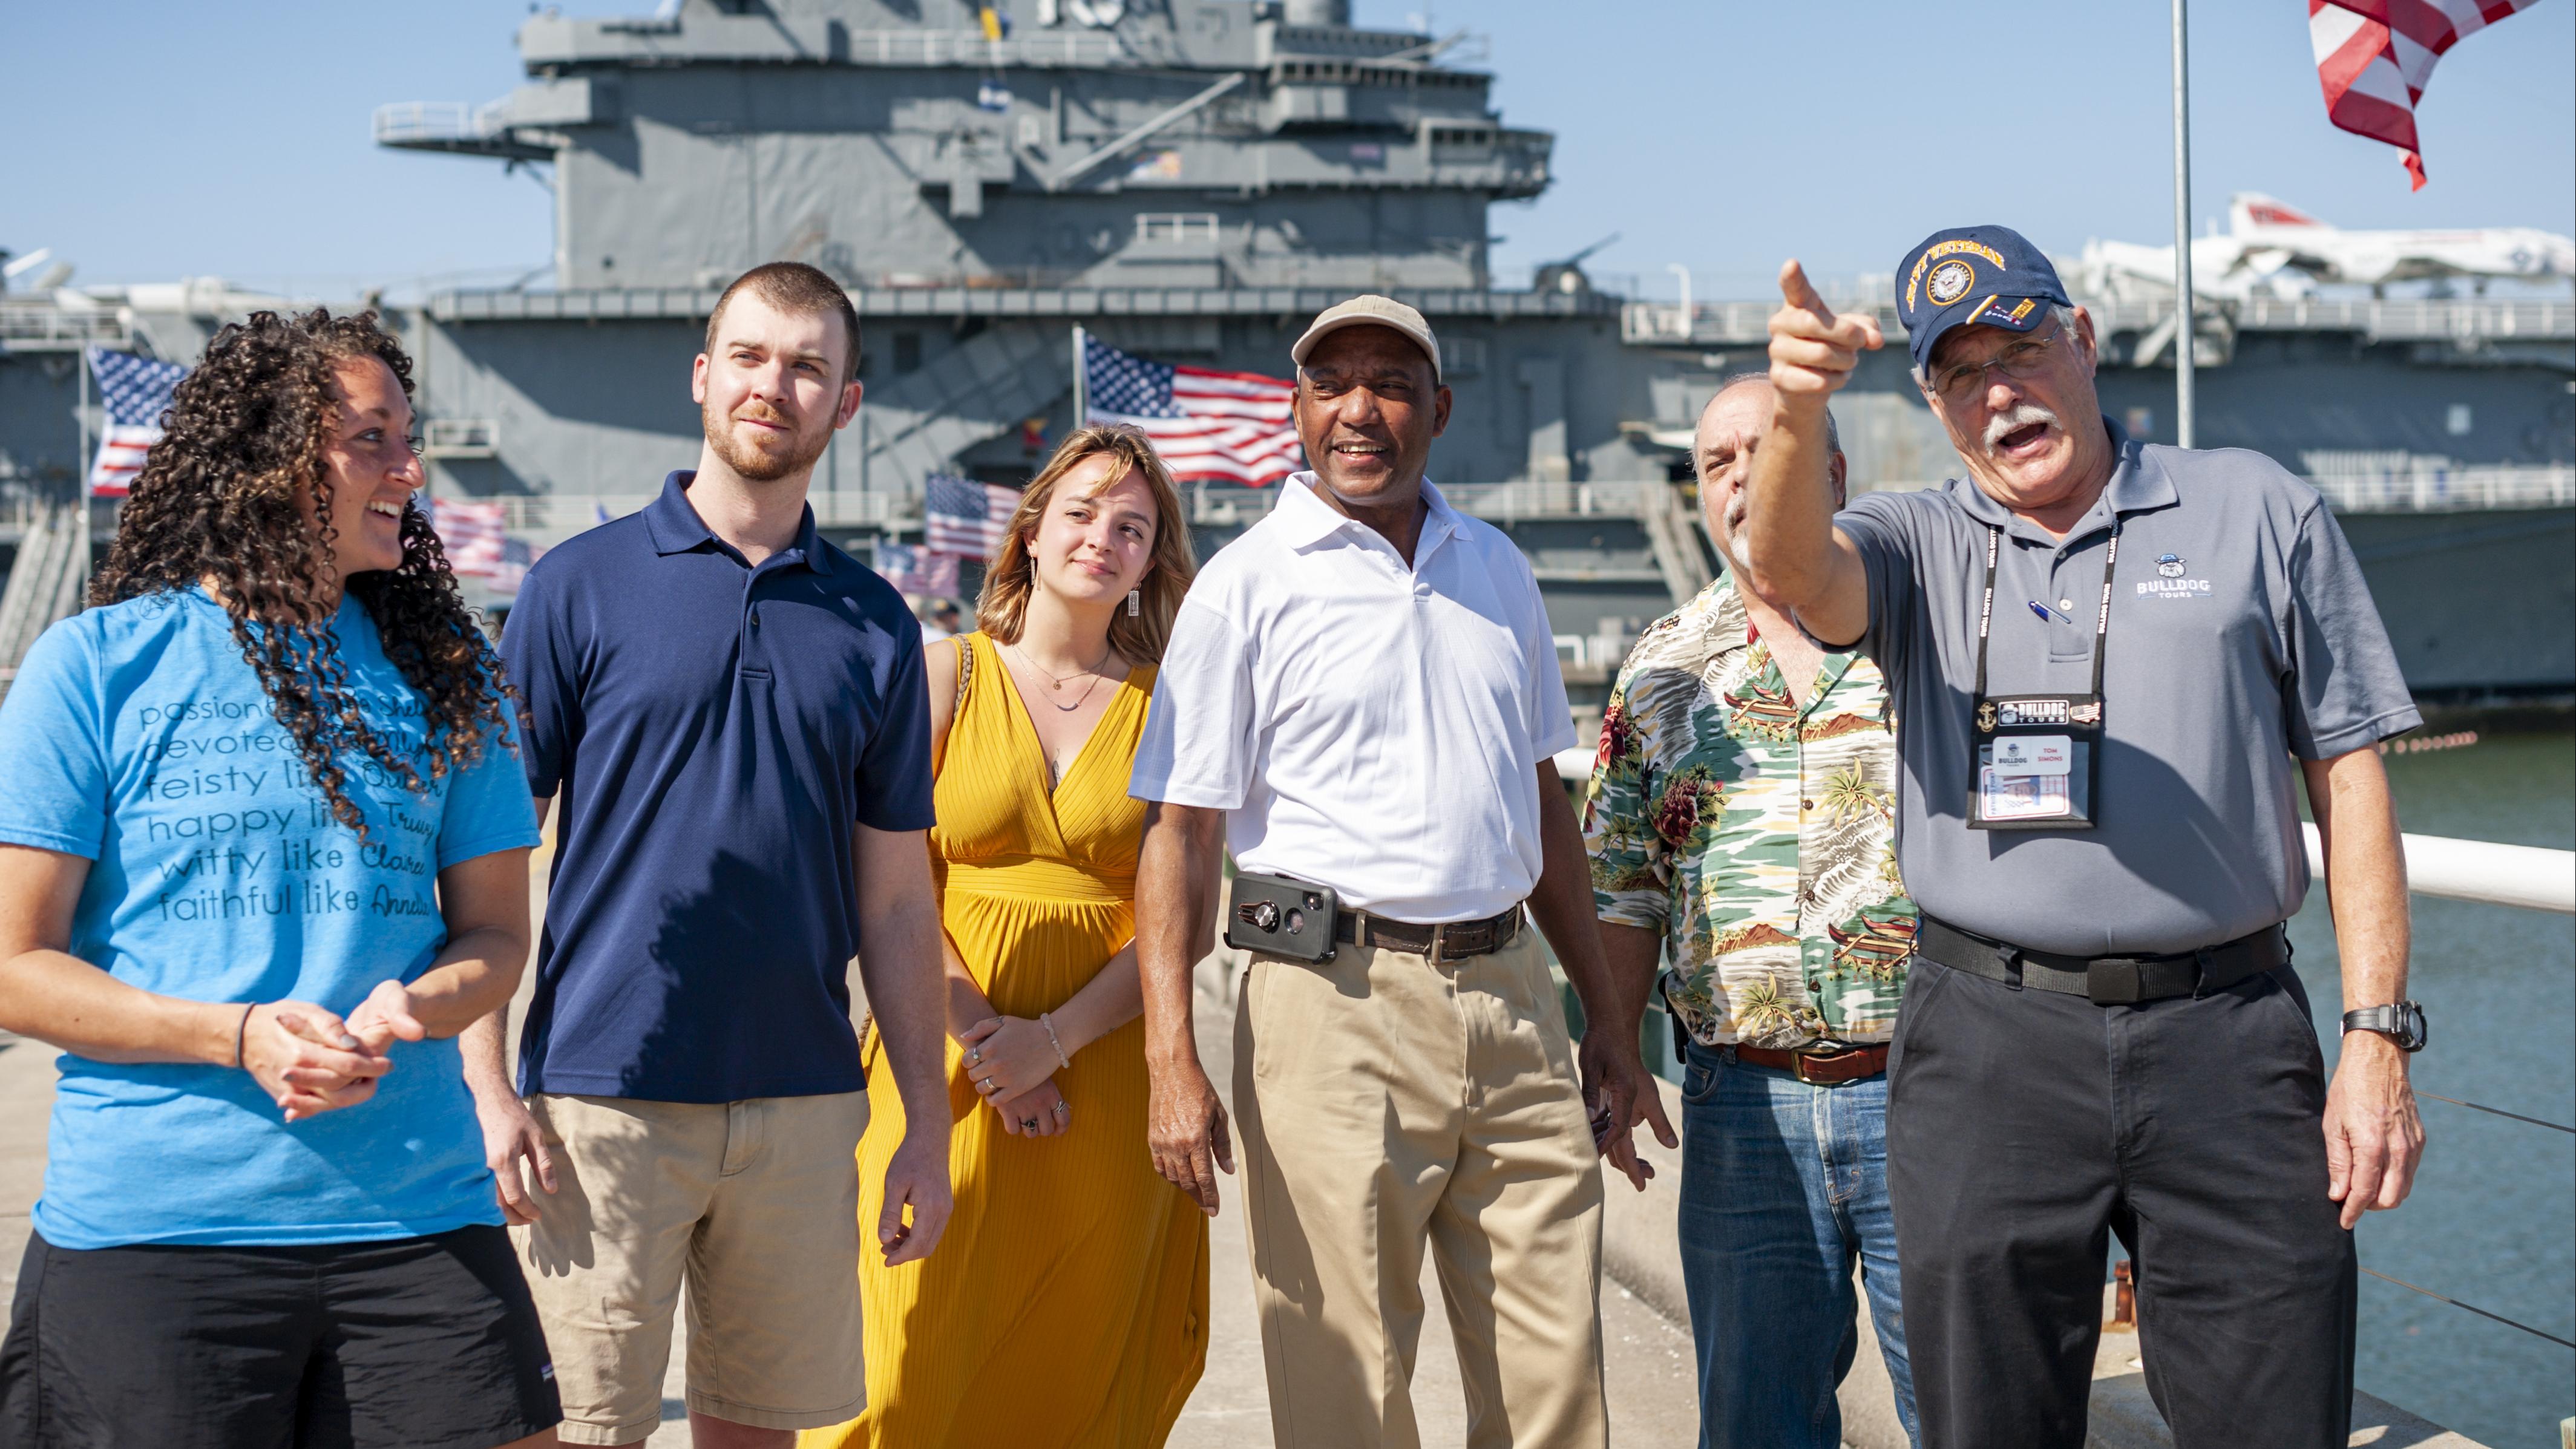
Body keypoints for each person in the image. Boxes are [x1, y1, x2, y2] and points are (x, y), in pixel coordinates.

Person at [1740, 231, 2426, 1449]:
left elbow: (2349, 764)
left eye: (2022, 347)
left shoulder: (2258, 509)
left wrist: (2375, 1034)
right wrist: (1795, 411)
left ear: (2085, 342)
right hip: (1987, 1043)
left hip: (2225, 1035)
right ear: (1933, 405)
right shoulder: (1916, 538)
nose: (2000, 389)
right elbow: (1798, 570)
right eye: (1960, 373)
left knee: (2274, 1412)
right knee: (1986, 1423)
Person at [0, 310, 557, 1448]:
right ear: (266, 461)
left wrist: (422, 1003)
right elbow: (13, 966)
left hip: (417, 1218)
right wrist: (238, 1035)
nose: (410, 469)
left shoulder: (451, 678)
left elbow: (497, 938)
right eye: (372, 440)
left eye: (411, 438)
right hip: (153, 1237)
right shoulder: (95, 667)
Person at [1129, 295, 1671, 1449]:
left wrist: (1611, 1026)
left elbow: (1542, 809)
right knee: (1347, 1381)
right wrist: (1169, 1055)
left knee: (1555, 1386)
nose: (1358, 410)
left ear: (1439, 408)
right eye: (1332, 385)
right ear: (1297, 409)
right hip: (1332, 1005)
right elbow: (1179, 833)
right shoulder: (1245, 585)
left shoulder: (1496, 569)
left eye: (1389, 383)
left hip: (1513, 999)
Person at [462, 261, 954, 1449]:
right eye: (747, 356)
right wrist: (483, 1086)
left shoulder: (875, 623)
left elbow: (893, 903)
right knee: (577, 1430)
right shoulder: (575, 587)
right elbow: (483, 857)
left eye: (804, 366)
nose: (770, 386)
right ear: (701, 376)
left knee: (761, 1434)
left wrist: (926, 1128)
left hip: (803, 1101)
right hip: (597, 1099)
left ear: (843, 404)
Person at [804, 424, 1208, 1448]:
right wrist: (992, 1046)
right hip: (936, 1056)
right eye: (1078, 514)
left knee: (1071, 1367)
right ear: (1029, 532)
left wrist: (1054, 1044)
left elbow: (1185, 917)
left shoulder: (1174, 704)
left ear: (1152, 560)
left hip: (1104, 1079)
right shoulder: (948, 674)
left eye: (1131, 526)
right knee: (898, 1361)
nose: (1100, 539)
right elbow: (892, 885)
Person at [1585, 373, 1919, 1448]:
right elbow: (1623, 888)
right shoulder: (1660, 670)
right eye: (1715, 464)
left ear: (1827, 473)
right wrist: (1614, 1049)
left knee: (1970, 1412)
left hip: (1933, 1092)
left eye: (1763, 455)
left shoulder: (1926, 635)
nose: (1739, 481)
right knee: (1756, 1426)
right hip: (1742, 1109)